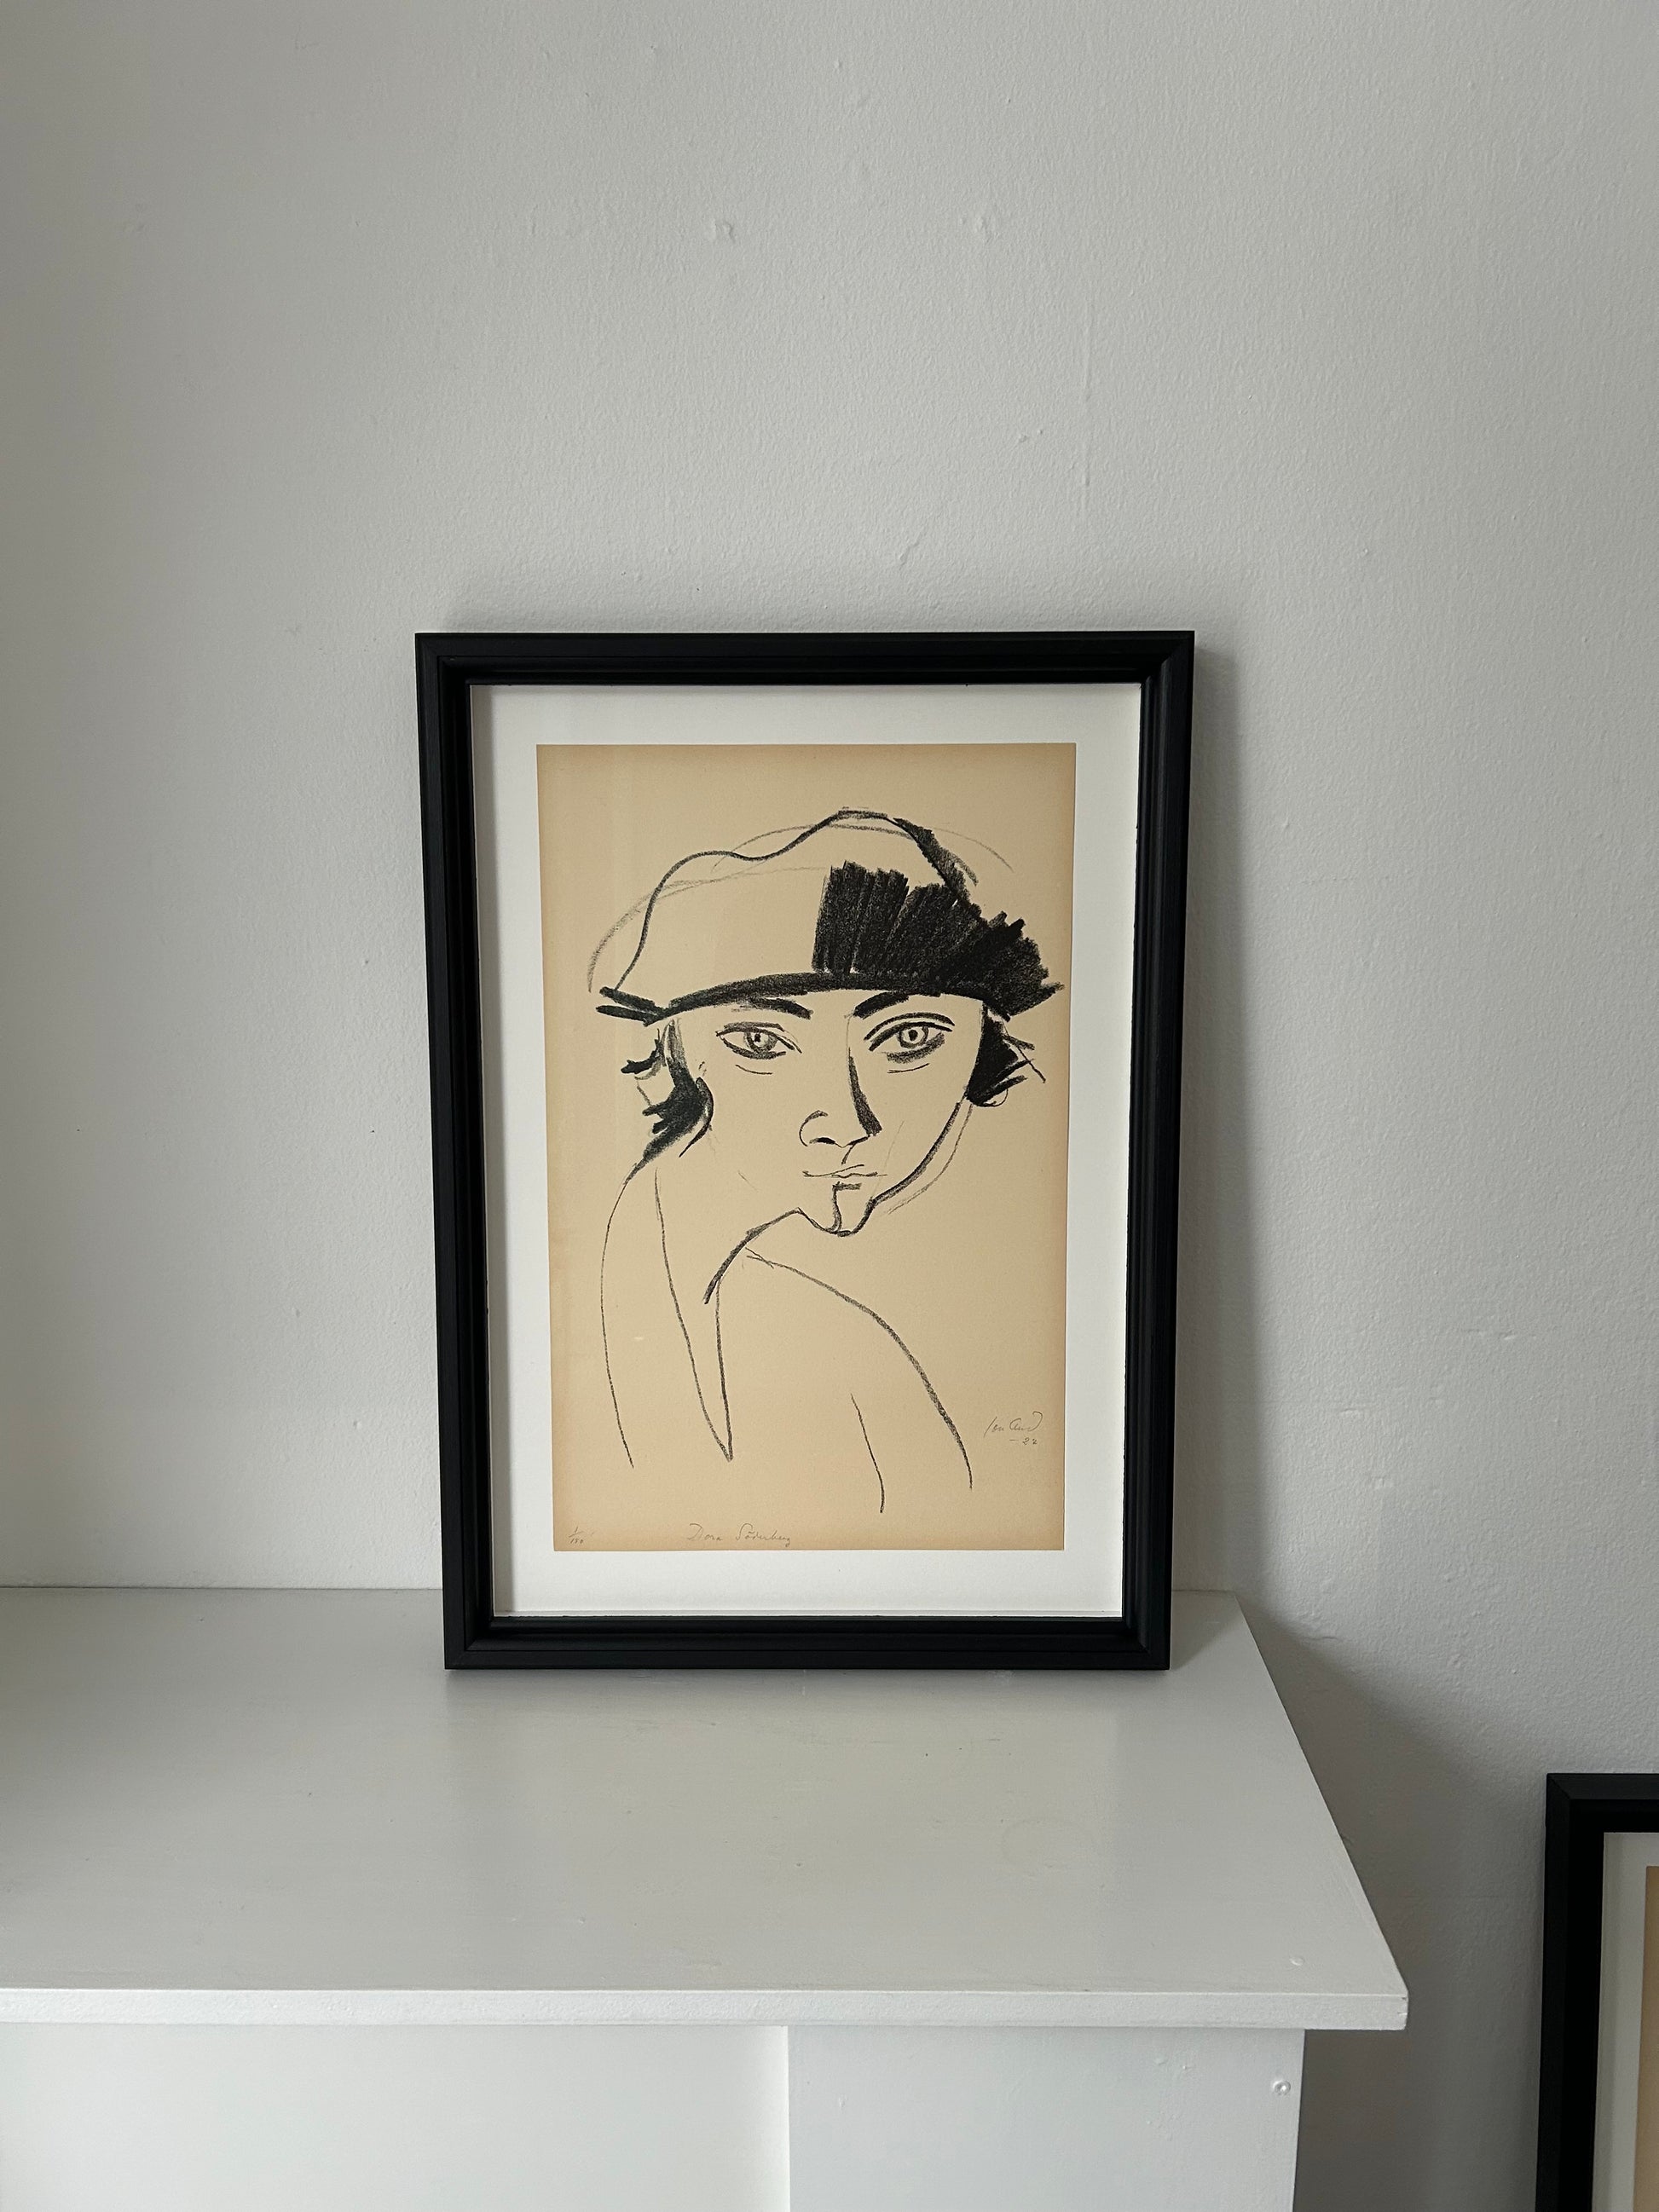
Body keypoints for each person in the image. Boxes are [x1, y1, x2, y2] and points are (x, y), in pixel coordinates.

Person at [592, 809, 1055, 1543]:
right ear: (677, 1048)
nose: (844, 1117)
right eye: (760, 1040)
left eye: (909, 1037)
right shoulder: (566, 1310)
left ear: (980, 1045)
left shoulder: (858, 1366)